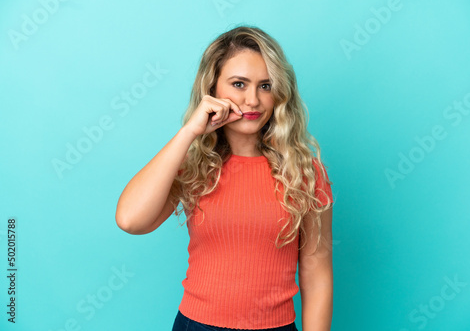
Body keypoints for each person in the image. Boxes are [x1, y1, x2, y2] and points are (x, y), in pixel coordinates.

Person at [115, 25, 334, 331]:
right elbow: (130, 220)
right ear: (214, 89)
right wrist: (189, 132)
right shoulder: (193, 166)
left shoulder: (305, 172)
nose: (253, 100)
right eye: (239, 84)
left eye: (266, 86)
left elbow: (316, 272)